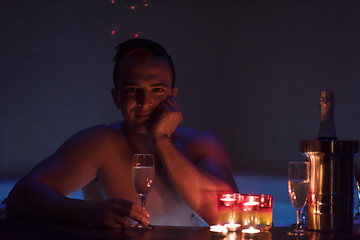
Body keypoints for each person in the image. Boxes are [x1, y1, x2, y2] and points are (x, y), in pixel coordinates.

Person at [5, 38, 238, 228]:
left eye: (157, 90)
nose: (144, 102)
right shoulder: (100, 144)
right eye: (132, 89)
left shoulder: (203, 145)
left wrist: (161, 140)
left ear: (172, 94)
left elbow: (226, 217)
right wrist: (87, 212)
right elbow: (21, 197)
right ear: (116, 97)